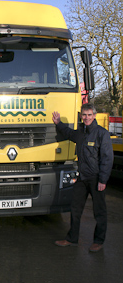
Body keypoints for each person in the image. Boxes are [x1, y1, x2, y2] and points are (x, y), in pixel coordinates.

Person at [52, 103, 113, 252]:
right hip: (82, 178)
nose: (86, 118)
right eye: (84, 115)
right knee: (75, 209)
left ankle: (98, 241)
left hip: (96, 178)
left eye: (89, 115)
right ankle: (72, 239)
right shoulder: (80, 133)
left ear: (94, 115)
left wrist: (103, 180)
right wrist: (58, 123)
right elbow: (67, 133)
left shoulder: (101, 133)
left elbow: (107, 158)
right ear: (81, 116)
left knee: (99, 212)